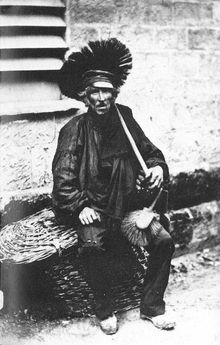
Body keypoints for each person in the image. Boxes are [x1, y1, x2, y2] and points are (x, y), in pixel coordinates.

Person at [52, 38, 175, 334]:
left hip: (129, 207)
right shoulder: (73, 130)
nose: (102, 98)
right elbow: (63, 179)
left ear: (115, 94)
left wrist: (157, 167)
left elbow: (150, 152)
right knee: (92, 248)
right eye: (96, 92)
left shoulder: (126, 118)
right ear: (85, 96)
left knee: (164, 241)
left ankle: (152, 307)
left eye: (108, 91)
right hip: (94, 211)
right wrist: (79, 207)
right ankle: (105, 309)